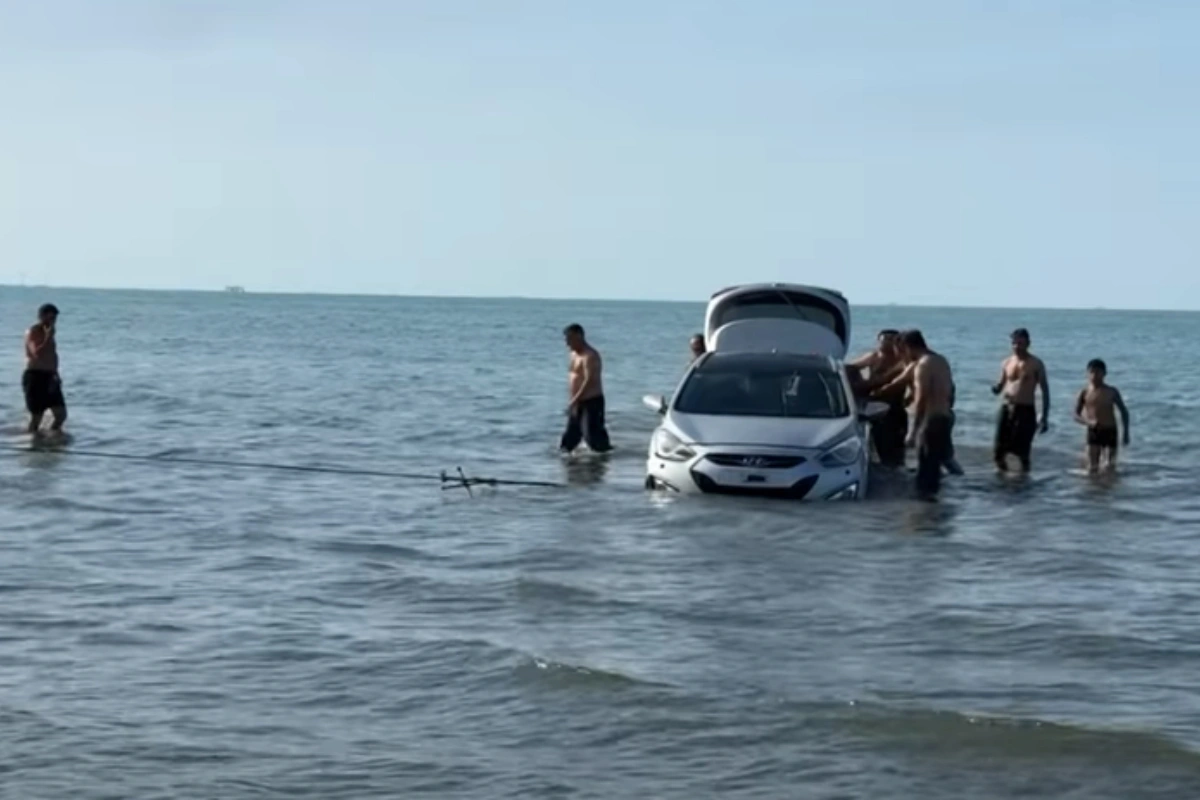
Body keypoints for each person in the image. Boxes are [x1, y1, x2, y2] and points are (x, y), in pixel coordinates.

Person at [898, 329, 955, 500]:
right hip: (944, 417)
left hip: (930, 420)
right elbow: (950, 391)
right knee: (935, 465)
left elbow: (922, 398)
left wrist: (913, 431)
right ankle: (933, 505)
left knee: (926, 466)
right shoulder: (941, 360)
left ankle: (924, 506)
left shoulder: (922, 365)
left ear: (908, 346)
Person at [991, 328, 1049, 473]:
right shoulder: (1007, 362)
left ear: (1028, 343)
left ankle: (1024, 480)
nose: (1017, 346)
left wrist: (1044, 416)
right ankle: (1002, 478)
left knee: (1022, 452)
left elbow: (1045, 391)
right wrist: (996, 388)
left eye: (1020, 343)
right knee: (999, 450)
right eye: (1014, 343)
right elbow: (1002, 384)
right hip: (1006, 408)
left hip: (1025, 410)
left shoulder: (1036, 364)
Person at [851, 330, 907, 467]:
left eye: (890, 339)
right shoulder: (874, 356)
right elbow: (850, 367)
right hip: (875, 404)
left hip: (895, 405)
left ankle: (896, 466)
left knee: (896, 441)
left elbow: (888, 380)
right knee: (876, 439)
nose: (886, 343)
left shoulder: (902, 360)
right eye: (884, 339)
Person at [560, 324, 612, 454]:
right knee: (569, 439)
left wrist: (575, 399)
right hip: (577, 401)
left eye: (570, 339)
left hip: (591, 401)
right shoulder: (573, 354)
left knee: (593, 437)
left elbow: (589, 381)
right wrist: (573, 400)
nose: (567, 343)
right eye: (566, 339)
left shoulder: (590, 356)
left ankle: (607, 459)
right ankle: (566, 461)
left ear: (579, 337)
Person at [1074, 359, 1130, 473]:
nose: (1094, 376)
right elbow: (1076, 415)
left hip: (1110, 430)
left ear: (1104, 374)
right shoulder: (1084, 392)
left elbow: (1124, 412)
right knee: (1092, 467)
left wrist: (1126, 433)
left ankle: (1108, 484)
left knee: (1110, 467)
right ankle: (1094, 484)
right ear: (1087, 373)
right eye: (1092, 372)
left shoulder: (1111, 391)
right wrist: (1088, 422)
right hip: (1093, 430)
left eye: (1098, 372)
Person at [23, 303, 68, 435]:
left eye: (54, 319)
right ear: (41, 317)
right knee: (37, 416)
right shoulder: (33, 331)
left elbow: (52, 356)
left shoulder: (49, 333)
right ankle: (34, 440)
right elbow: (37, 353)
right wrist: (48, 337)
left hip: (50, 376)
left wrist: (56, 375)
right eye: (50, 318)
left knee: (61, 414)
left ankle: (53, 438)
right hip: (35, 376)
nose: (53, 322)